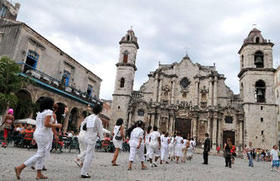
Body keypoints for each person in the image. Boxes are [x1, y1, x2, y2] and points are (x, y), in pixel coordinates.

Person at [14, 97, 62, 180]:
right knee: (40, 154)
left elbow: (37, 125)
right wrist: (57, 125)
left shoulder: (40, 113)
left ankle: (39, 174)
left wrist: (33, 137)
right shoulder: (49, 112)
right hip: (44, 134)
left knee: (41, 153)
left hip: (38, 133)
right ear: (49, 104)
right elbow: (46, 124)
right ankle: (20, 167)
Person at [80, 104, 103, 178]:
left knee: (88, 153)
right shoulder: (98, 119)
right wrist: (102, 139)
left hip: (86, 136)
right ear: (99, 111)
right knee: (89, 156)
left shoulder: (88, 117)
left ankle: (80, 160)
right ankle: (84, 172)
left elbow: (83, 126)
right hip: (92, 138)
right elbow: (100, 131)